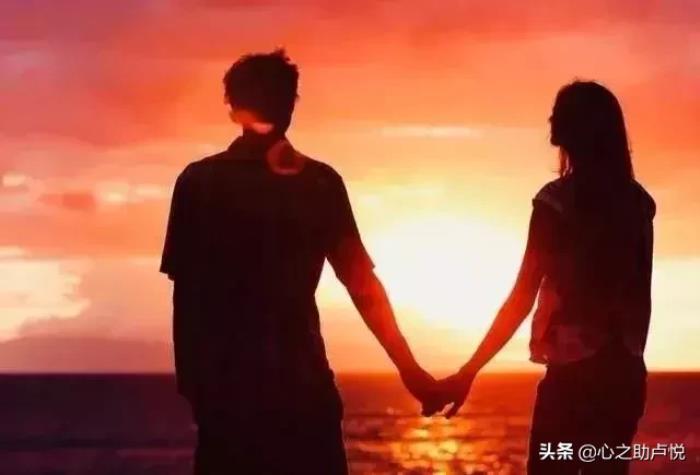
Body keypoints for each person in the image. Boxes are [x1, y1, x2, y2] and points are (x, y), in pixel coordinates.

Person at [159, 49, 441, 475]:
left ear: (234, 107)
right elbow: (362, 286)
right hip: (293, 389)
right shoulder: (316, 183)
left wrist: (197, 388)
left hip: (240, 394)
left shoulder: (201, 182)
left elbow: (186, 300)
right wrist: (410, 370)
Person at [434, 81, 655, 474]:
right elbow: (643, 297)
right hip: (625, 376)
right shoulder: (638, 203)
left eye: (558, 113)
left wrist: (470, 370)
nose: (551, 119)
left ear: (573, 127)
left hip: (573, 378)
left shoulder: (556, 203)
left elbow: (523, 295)